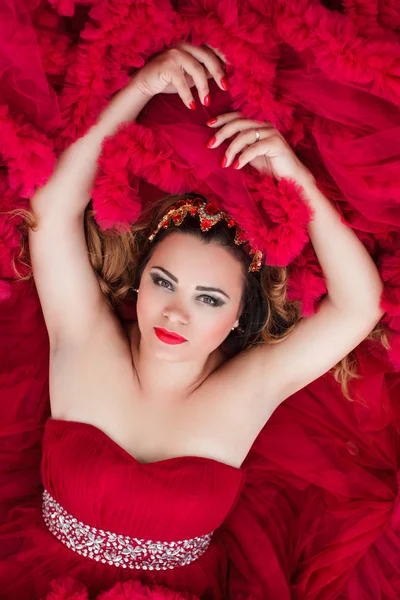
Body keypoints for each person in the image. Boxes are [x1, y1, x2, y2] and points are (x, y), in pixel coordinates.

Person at [1, 42, 386, 599]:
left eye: (209, 299)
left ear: (237, 318)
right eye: (163, 282)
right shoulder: (82, 336)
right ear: (139, 282)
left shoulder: (250, 386)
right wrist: (139, 89)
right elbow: (53, 213)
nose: (176, 312)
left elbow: (359, 306)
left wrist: (292, 174)